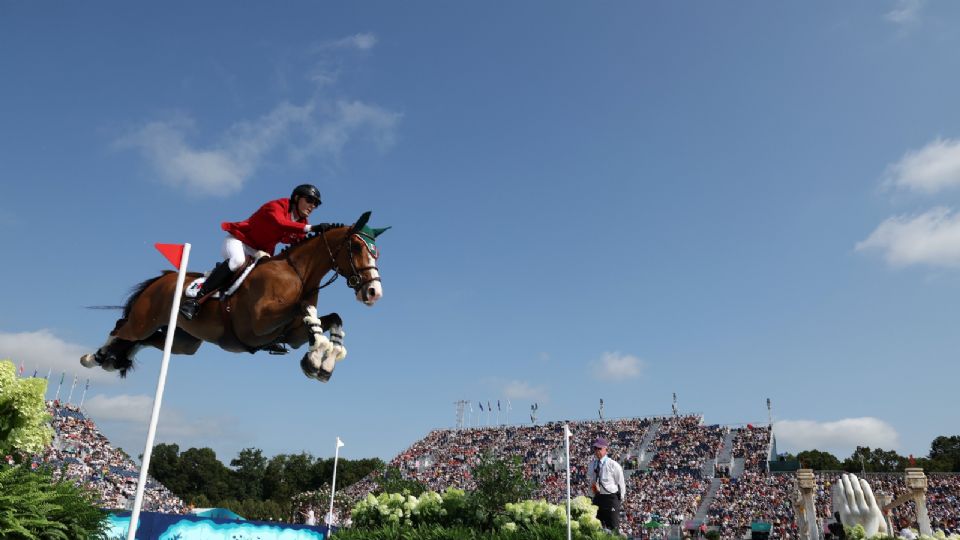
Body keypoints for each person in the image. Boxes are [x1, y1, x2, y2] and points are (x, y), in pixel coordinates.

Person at [179, 184, 325, 320]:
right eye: (310, 200)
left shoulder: (302, 223)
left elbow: (298, 244)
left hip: (259, 252)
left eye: (316, 204)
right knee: (237, 261)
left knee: (268, 277)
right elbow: (280, 223)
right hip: (239, 241)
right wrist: (312, 228)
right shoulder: (277, 206)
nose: (312, 206)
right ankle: (195, 301)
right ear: (297, 198)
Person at [586, 437, 626, 534]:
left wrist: (619, 499)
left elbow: (620, 483)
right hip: (597, 497)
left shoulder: (613, 465)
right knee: (596, 527)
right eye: (595, 449)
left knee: (613, 527)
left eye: (599, 448)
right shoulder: (592, 465)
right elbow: (591, 482)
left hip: (611, 498)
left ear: (605, 449)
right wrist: (592, 495)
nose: (597, 451)